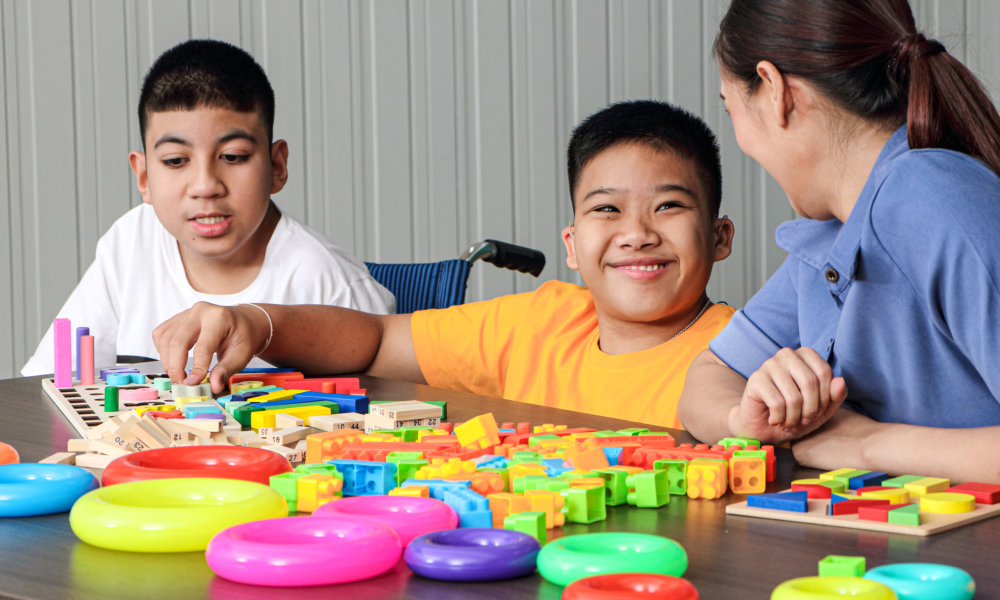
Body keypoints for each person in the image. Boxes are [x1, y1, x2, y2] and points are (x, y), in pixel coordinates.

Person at [154, 100, 736, 428]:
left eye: (668, 206)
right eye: (606, 209)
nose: (635, 234)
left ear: (719, 236)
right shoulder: (541, 321)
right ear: (572, 244)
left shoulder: (747, 352)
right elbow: (374, 341)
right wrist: (257, 321)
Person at [678, 0, 1000, 483]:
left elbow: (856, 444)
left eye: (731, 107)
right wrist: (742, 420)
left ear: (773, 90)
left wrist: (865, 444)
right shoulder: (833, 234)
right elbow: (704, 381)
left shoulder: (932, 198)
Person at [21, 39, 394, 377]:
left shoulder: (334, 286)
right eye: (175, 161)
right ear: (144, 177)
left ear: (276, 166)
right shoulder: (130, 242)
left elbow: (397, 424)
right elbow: (48, 384)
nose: (205, 186)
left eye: (233, 156)